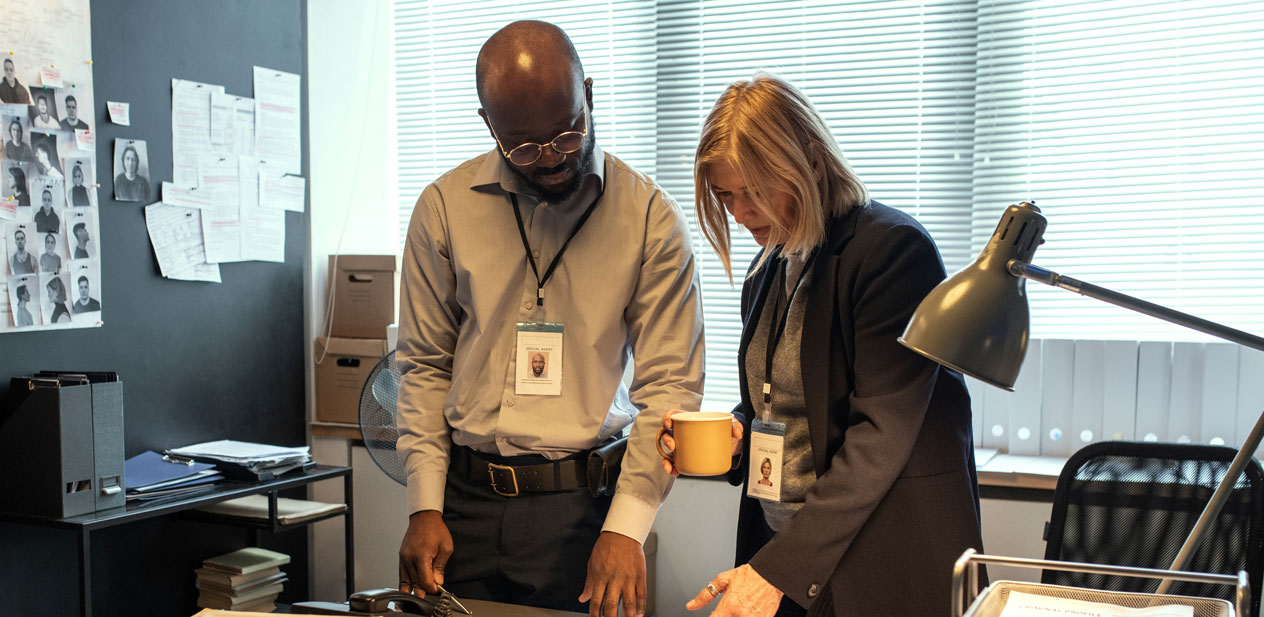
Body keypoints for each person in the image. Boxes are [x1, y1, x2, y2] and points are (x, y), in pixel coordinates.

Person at [396, 20, 705, 617]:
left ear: (589, 93)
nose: (553, 159)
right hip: (462, 503)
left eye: (569, 133)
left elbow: (670, 388)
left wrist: (627, 528)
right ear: (489, 125)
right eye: (526, 147)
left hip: (584, 510)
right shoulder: (442, 210)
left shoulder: (649, 220)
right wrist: (423, 505)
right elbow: (424, 366)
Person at [660, 73, 982, 617]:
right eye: (726, 196)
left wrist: (778, 570)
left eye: (756, 191)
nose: (740, 214)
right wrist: (737, 433)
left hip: (878, 561)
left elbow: (880, 436)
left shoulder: (893, 253)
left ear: (810, 161)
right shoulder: (770, 267)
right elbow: (781, 401)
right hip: (790, 554)